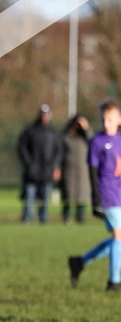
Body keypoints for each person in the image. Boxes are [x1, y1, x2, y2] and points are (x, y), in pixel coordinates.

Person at [69, 100, 121, 291]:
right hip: (107, 194)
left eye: (110, 119)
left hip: (120, 193)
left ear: (118, 120)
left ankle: (80, 262)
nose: (106, 123)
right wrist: (96, 199)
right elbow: (92, 172)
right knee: (118, 235)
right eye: (103, 120)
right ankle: (114, 281)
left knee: (118, 239)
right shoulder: (98, 142)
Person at [18, 104, 62, 223]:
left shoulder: (54, 133)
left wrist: (55, 166)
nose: (45, 117)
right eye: (43, 114)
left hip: (47, 172)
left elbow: (58, 151)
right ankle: (26, 218)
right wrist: (29, 163)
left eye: (47, 115)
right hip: (31, 172)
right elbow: (22, 148)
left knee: (45, 198)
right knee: (29, 197)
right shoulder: (30, 131)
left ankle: (44, 218)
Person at [60, 115, 91, 224]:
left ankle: (80, 217)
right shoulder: (65, 137)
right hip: (69, 171)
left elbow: (92, 142)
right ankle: (66, 216)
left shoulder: (86, 138)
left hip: (83, 172)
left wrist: (86, 128)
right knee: (68, 195)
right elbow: (59, 153)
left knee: (82, 195)